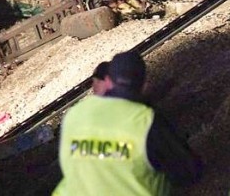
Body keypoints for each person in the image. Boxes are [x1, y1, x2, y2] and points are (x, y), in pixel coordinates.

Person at [54, 51, 202, 195]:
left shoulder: (75, 114)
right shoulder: (145, 120)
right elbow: (187, 172)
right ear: (144, 85)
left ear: (108, 82)